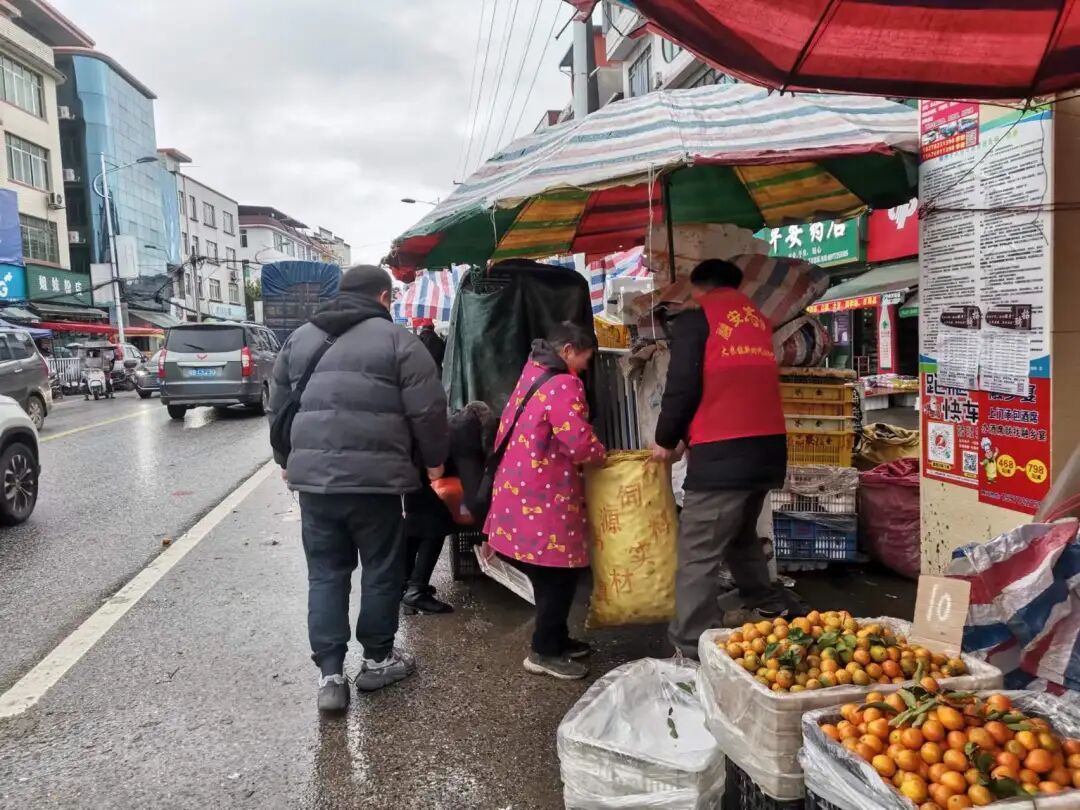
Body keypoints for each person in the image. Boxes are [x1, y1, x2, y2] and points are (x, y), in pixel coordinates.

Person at [269, 264, 448, 713]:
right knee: (381, 570)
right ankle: (377, 660)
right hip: (377, 485)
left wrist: (287, 461)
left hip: (315, 487)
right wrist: (434, 463)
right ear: (384, 298)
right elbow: (428, 410)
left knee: (326, 573)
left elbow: (278, 407)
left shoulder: (300, 339)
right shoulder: (398, 341)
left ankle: (330, 676)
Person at [651, 258, 789, 660]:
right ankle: (766, 600)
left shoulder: (697, 318)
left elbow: (682, 385)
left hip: (722, 452)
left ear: (698, 288)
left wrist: (665, 440)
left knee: (698, 551)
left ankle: (690, 643)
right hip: (767, 450)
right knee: (740, 532)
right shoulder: (758, 320)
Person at [484, 322, 606, 680]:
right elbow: (579, 440)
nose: (586, 364)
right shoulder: (565, 383)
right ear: (568, 350)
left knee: (549, 572)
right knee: (559, 572)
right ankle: (543, 650)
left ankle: (556, 637)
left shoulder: (533, 370)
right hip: (545, 493)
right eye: (585, 356)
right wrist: (604, 457)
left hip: (518, 488)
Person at [402, 401, 498, 615]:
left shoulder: (453, 422)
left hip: (410, 472)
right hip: (425, 478)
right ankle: (416, 591)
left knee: (415, 525)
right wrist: (487, 526)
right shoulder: (465, 437)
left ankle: (404, 583)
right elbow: (475, 494)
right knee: (434, 528)